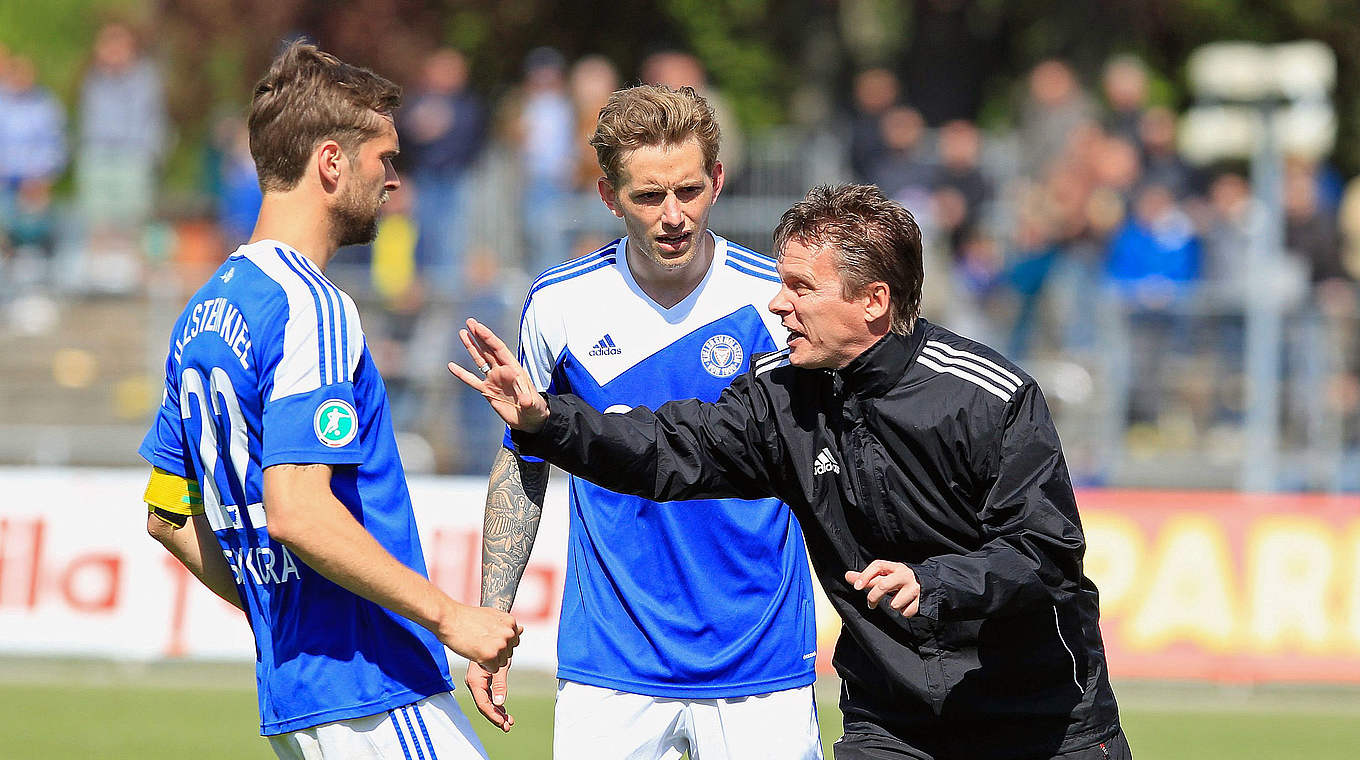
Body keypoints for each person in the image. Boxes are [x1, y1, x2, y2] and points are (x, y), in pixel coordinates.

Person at [453, 183, 1131, 760]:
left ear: (873, 300)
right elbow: (669, 446)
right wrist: (549, 421)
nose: (778, 305)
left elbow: (1046, 554)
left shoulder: (987, 396)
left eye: (801, 288)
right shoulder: (780, 394)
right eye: (782, 282)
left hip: (1038, 714)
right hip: (891, 719)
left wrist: (933, 581)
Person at [138, 41, 520, 760]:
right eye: (385, 158)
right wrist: (449, 619)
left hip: (296, 697)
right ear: (332, 163)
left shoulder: (202, 312)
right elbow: (298, 510)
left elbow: (166, 513)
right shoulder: (310, 306)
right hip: (370, 684)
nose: (397, 180)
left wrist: (274, 612)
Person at [463, 83, 822, 759]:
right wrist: (492, 615)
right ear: (608, 197)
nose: (674, 216)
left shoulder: (771, 304)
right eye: (649, 197)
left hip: (759, 660)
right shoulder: (560, 307)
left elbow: (823, 462)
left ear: (717, 181)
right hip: (612, 662)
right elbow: (523, 460)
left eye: (688, 191)